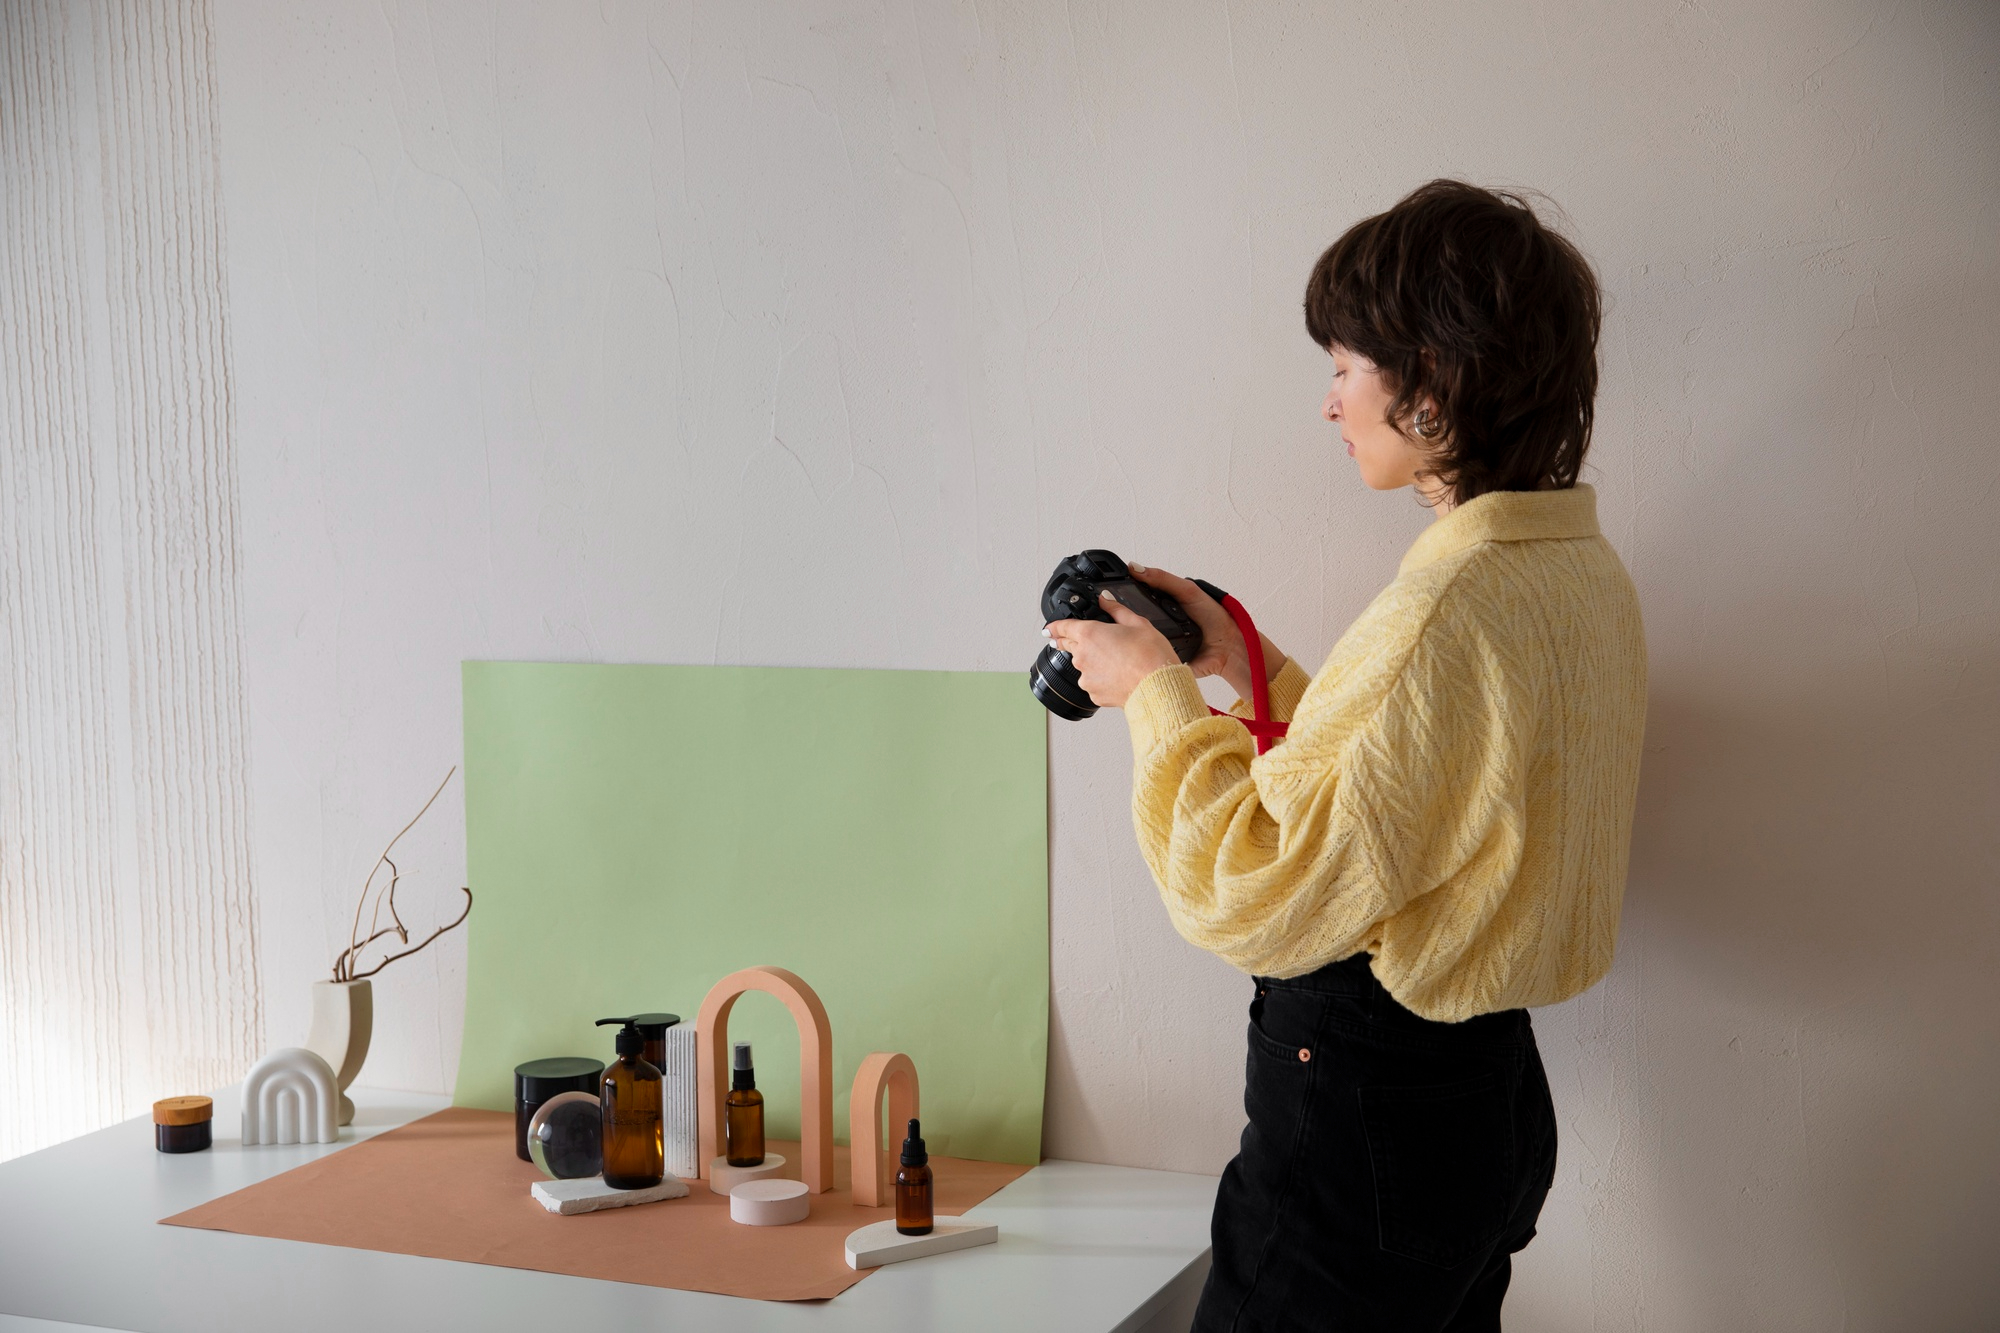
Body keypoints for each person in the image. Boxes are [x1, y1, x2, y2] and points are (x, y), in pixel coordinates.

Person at [1044, 180, 1647, 1332]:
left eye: (1342, 367)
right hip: (1484, 1102)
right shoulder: (1572, 573)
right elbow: (1420, 783)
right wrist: (1247, 664)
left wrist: (1153, 692)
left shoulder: (1442, 606)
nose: (1327, 403)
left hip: (1368, 1110)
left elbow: (1255, 888)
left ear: (1431, 376)